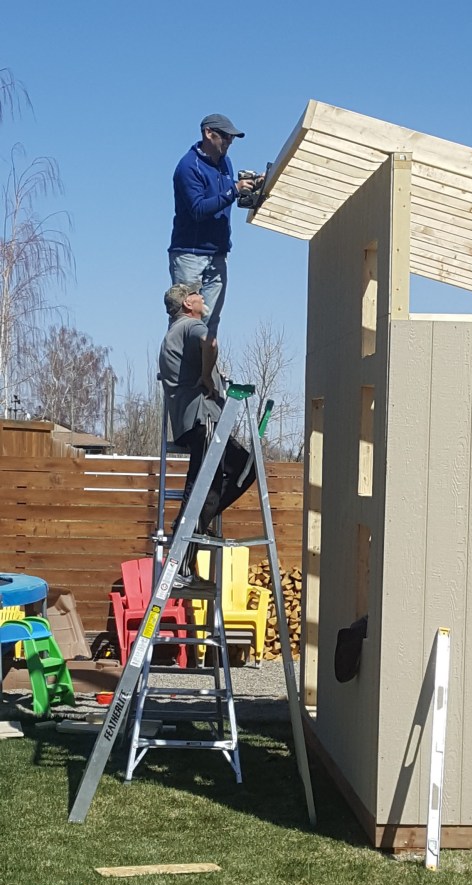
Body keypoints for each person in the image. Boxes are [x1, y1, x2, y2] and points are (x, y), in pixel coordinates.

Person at [159, 283, 256, 587]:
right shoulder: (191, 326)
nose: (202, 297)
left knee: (230, 476)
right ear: (188, 304)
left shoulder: (174, 332)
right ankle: (181, 560)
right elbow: (210, 343)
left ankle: (197, 526)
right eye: (197, 294)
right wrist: (206, 376)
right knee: (206, 486)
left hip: (194, 422)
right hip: (204, 419)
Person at [168, 113, 258, 344]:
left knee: (210, 320)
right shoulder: (189, 167)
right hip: (190, 254)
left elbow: (226, 196)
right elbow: (198, 209)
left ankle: (204, 364)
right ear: (209, 133)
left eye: (232, 138)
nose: (229, 142)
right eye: (226, 137)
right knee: (186, 319)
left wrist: (253, 187)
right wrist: (234, 190)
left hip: (217, 253)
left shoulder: (225, 162)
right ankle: (179, 364)